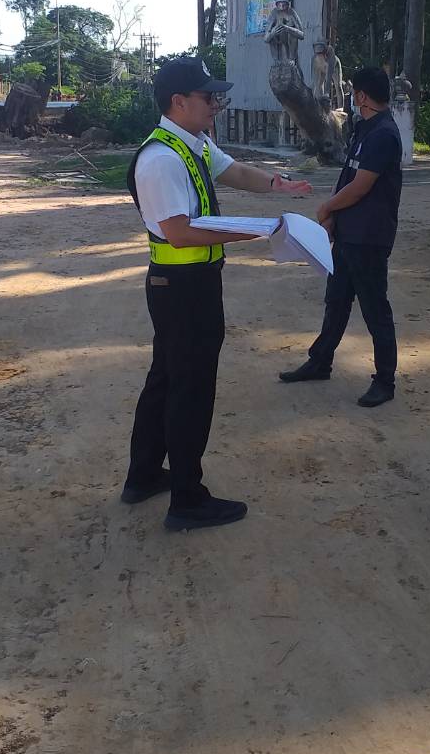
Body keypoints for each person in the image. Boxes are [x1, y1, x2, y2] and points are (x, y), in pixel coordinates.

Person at [123, 56, 312, 532]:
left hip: (189, 284)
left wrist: (280, 185)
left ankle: (144, 475)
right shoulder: (162, 159)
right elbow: (180, 233)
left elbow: (235, 171)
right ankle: (187, 499)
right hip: (182, 288)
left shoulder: (192, 144)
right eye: (209, 97)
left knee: (167, 378)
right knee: (190, 388)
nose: (216, 105)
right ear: (178, 101)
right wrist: (259, 231)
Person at [278, 66, 402, 408]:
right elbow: (348, 177)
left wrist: (326, 207)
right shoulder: (364, 129)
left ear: (361, 96)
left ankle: (385, 380)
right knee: (336, 301)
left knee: (375, 308)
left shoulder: (384, 134)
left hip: (370, 236)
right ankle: (320, 361)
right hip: (349, 233)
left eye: (352, 93)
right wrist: (334, 217)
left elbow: (361, 187)